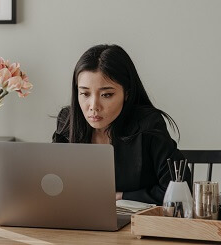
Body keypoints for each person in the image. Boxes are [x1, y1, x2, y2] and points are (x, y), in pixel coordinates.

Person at [52, 44, 190, 205]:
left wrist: (122, 196)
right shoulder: (67, 120)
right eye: (85, 93)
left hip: (136, 225)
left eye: (106, 94)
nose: (93, 106)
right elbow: (52, 183)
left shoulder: (148, 123)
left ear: (127, 93)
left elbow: (180, 188)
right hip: (77, 221)